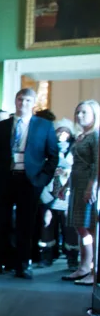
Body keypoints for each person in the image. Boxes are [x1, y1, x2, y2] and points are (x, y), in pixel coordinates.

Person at [0, 88, 59, 279]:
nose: (22, 104)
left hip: (30, 180)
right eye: (19, 99)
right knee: (0, 223)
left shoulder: (44, 126)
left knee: (26, 224)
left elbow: (53, 156)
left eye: (27, 100)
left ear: (33, 103)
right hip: (4, 179)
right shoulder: (1, 126)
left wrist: (41, 180)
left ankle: (23, 264)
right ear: (15, 101)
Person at [65, 100, 99, 285]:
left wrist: (92, 186)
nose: (79, 116)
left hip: (88, 184)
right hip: (77, 184)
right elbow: (75, 164)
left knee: (92, 229)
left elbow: (96, 163)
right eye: (78, 112)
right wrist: (65, 186)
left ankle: (94, 271)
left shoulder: (96, 136)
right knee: (81, 228)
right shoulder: (81, 136)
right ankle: (84, 266)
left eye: (84, 112)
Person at [41, 121, 74, 269]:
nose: (62, 135)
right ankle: (48, 254)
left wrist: (66, 172)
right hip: (49, 191)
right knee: (47, 223)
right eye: (59, 132)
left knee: (69, 225)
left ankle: (72, 256)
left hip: (67, 193)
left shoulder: (75, 149)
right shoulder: (49, 148)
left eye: (65, 132)